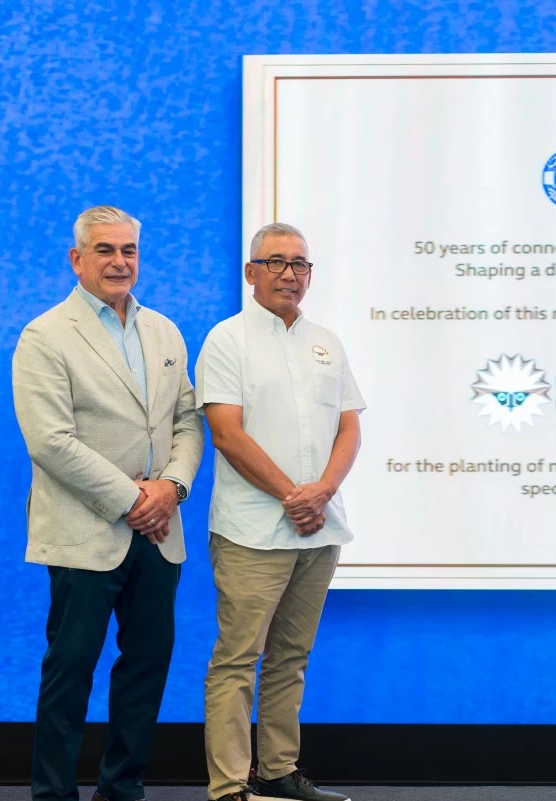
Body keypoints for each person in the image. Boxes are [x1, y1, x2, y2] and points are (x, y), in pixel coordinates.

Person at [12, 205, 203, 801]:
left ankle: (123, 791)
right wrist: (132, 500)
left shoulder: (164, 331)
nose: (120, 262)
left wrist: (170, 489)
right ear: (77, 259)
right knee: (69, 674)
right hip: (84, 531)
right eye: (105, 250)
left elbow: (189, 421)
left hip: (159, 533)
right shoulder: (45, 335)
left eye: (129, 251)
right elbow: (49, 440)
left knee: (146, 672)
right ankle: (53, 795)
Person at [196, 222, 364, 801]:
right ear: (250, 273)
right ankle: (227, 786)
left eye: (300, 264)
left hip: (319, 531)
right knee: (238, 660)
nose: (289, 273)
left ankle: (278, 771)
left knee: (292, 657)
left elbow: (348, 426)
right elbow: (226, 433)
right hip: (251, 530)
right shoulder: (226, 339)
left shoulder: (327, 343)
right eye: (275, 262)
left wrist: (322, 491)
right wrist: (295, 494)